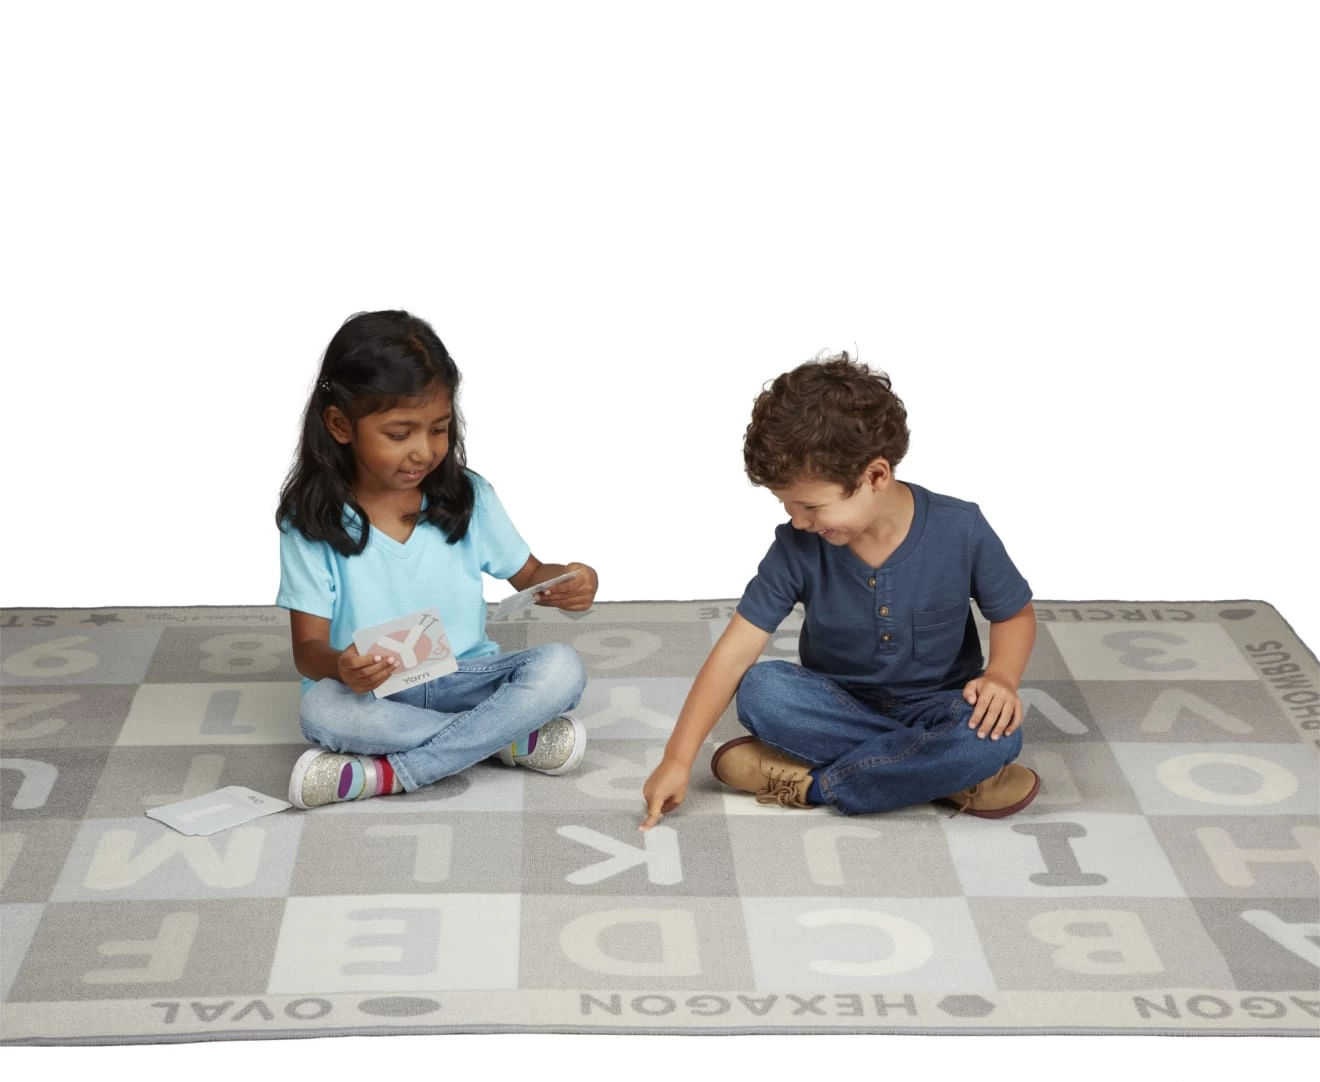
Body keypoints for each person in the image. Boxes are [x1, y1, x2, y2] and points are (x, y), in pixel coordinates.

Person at [640, 352, 1039, 831]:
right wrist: (677, 759)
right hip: (834, 704)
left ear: (875, 476)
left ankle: (814, 785)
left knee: (997, 734)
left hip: (941, 705)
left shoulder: (962, 528)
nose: (797, 521)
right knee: (762, 690)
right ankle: (944, 776)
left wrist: (1001, 678)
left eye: (810, 506)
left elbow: (1014, 613)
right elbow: (733, 654)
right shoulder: (796, 547)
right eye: (787, 505)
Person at [275, 310, 598, 809]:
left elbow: (531, 575)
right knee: (322, 711)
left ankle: (393, 773)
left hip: (469, 680)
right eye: (399, 434)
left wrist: (573, 579)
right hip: (376, 694)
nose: (424, 452)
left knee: (562, 666)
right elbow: (307, 651)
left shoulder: (470, 497)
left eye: (439, 429)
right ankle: (504, 740)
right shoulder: (312, 523)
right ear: (340, 425)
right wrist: (342, 666)